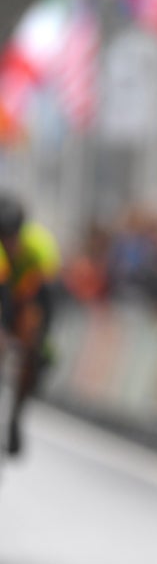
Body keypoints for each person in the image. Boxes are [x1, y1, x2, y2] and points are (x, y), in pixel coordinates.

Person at [0, 193, 61, 456]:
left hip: (29, 296)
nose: (9, 242)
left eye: (12, 235)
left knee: (37, 352)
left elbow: (47, 296)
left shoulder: (39, 245)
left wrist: (41, 337)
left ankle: (17, 414)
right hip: (3, 292)